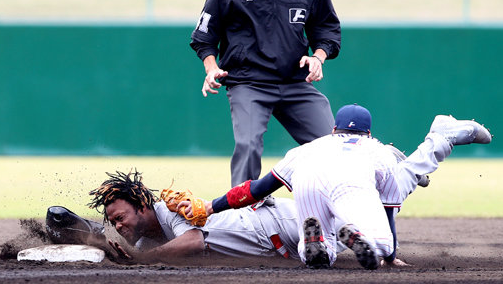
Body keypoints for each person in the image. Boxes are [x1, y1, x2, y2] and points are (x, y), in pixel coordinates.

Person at [179, 104, 492, 270]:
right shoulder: (378, 151)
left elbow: (257, 188)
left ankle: (318, 245)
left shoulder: (307, 148)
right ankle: (443, 136)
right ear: (369, 133)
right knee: (380, 241)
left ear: (332, 129)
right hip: (353, 181)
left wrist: (211, 206)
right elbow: (388, 212)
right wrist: (391, 254)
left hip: (308, 179)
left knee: (318, 251)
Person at [190, 0, 341, 187]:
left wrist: (318, 57)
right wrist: (211, 68)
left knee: (334, 146)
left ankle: (340, 211)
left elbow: (327, 31)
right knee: (247, 146)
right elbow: (204, 35)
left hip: (295, 82)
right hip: (249, 83)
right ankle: (241, 218)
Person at [87, 170, 300, 264]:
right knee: (324, 255)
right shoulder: (145, 244)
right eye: (113, 222)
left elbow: (194, 241)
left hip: (276, 221)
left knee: (332, 227)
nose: (118, 226)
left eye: (120, 217)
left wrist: (144, 259)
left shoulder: (169, 209)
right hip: (280, 251)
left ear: (142, 207)